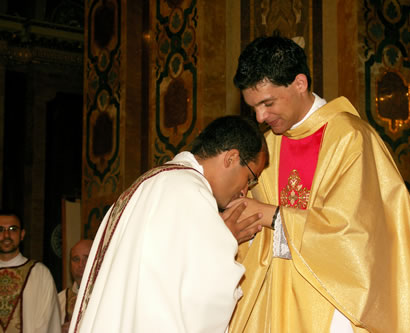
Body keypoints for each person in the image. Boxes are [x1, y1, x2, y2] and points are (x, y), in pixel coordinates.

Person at [228, 36, 410, 333]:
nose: (260, 116)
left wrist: (273, 216)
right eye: (253, 107)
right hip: (277, 304)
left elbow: (356, 237)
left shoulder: (351, 138)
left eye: (268, 103)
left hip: (337, 307)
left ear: (299, 83)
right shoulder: (265, 149)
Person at [68, 115, 268, 333]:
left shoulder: (150, 183)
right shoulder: (190, 192)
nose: (245, 191)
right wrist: (222, 244)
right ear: (231, 158)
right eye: (250, 178)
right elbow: (202, 301)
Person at [0, 210, 61, 333]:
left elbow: (48, 321)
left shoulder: (39, 274)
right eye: (0, 229)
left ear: (22, 234)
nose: (6, 235)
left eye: (13, 229)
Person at [58, 239, 93, 333]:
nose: (81, 264)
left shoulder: (109, 296)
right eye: (76, 259)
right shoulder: (59, 300)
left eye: (87, 258)